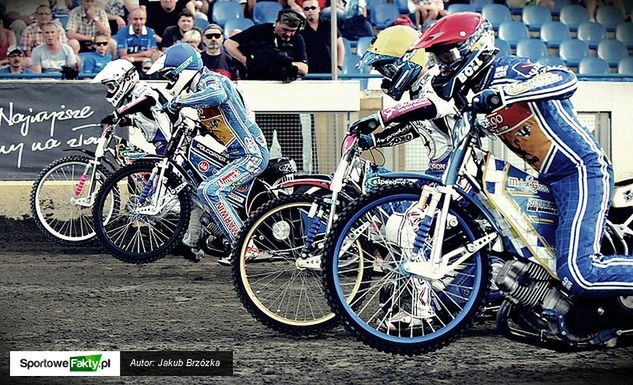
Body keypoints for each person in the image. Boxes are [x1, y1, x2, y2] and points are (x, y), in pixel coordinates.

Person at [359, 12, 633, 298]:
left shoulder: (505, 69)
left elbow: (564, 79)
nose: (442, 66)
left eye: (447, 56)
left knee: (579, 274)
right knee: (538, 260)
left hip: (581, 171)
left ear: (474, 47)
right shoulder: (470, 94)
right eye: (437, 59)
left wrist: (507, 94)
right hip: (548, 180)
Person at [147, 43, 269, 265]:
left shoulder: (210, 80)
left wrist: (179, 102)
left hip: (251, 154)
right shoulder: (198, 88)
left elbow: (217, 94)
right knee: (199, 188)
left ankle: (246, 246)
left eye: (169, 75)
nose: (169, 81)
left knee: (210, 190)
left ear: (182, 69)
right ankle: (201, 239)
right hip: (238, 155)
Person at [356, 25, 455, 175]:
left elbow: (431, 107)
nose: (385, 76)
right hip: (441, 170)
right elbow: (416, 126)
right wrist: (375, 139)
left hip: (462, 171)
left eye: (386, 69)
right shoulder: (417, 88)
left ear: (407, 60)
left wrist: (382, 117)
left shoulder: (438, 79)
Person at [92, 58, 174, 156]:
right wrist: (128, 121)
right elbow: (150, 117)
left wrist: (117, 114)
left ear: (125, 79)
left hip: (170, 143)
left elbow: (149, 100)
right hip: (164, 146)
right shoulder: (133, 96)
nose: (110, 91)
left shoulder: (141, 89)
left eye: (111, 86)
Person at [224, 8, 308, 80]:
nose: (288, 34)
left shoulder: (297, 38)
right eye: (285, 29)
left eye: (292, 31)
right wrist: (245, 60)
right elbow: (229, 43)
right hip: (255, 80)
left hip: (284, 82)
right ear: (277, 22)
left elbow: (304, 69)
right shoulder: (261, 30)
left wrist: (282, 60)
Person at [299, 0, 345, 75]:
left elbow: (340, 46)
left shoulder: (330, 24)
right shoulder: (300, 29)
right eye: (306, 9)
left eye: (313, 8)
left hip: (330, 72)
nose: (310, 10)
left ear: (319, 9)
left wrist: (339, 66)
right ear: (303, 11)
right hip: (309, 74)